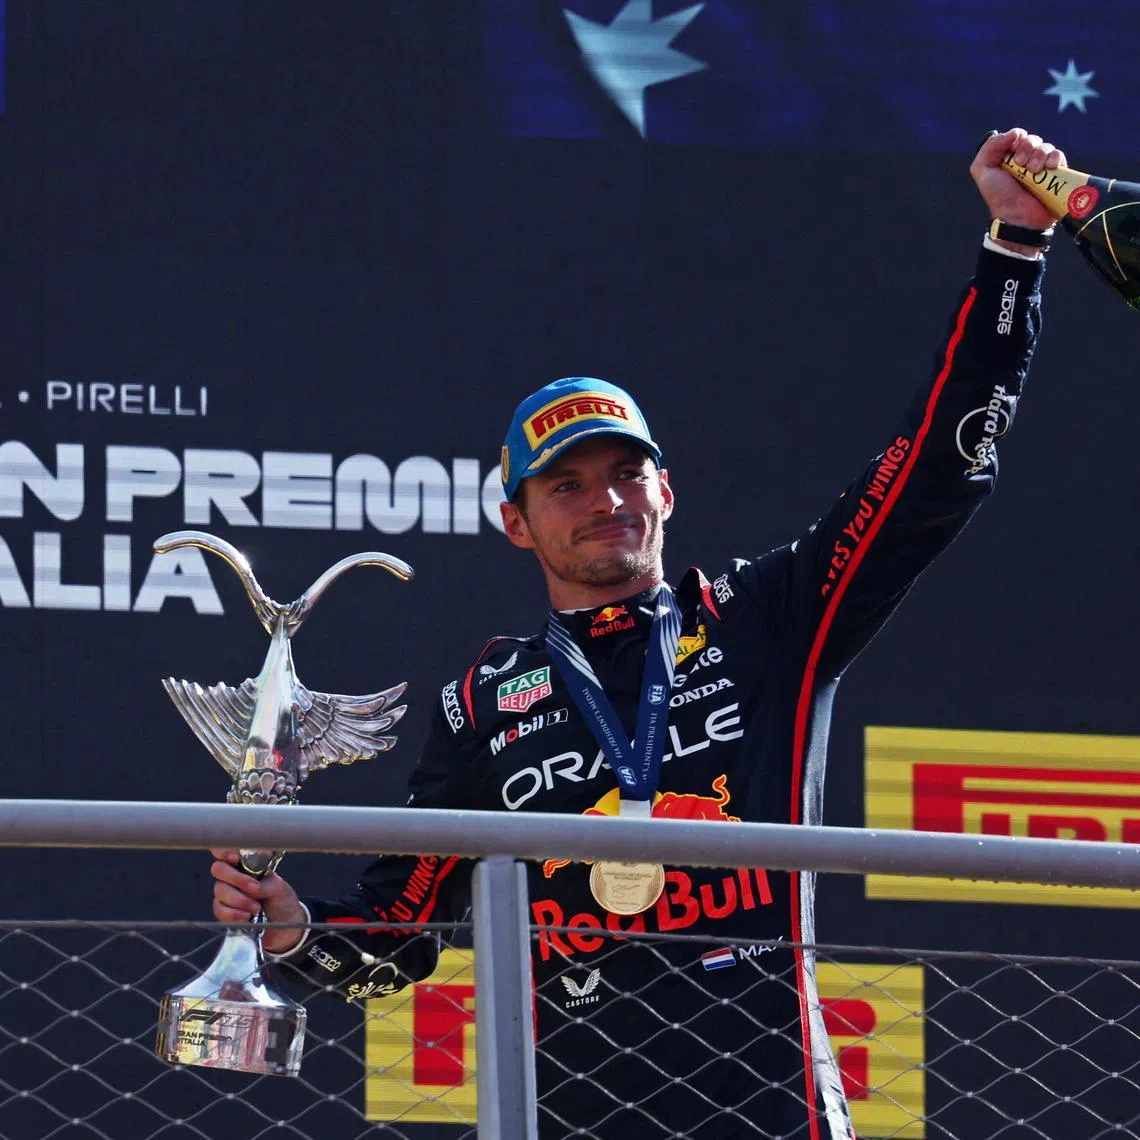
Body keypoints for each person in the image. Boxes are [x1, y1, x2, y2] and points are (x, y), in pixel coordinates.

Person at [211, 128, 1063, 1138]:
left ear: (667, 491)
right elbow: (399, 936)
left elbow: (936, 468)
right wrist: (293, 929)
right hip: (571, 1117)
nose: (604, 501)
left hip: (773, 1113)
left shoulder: (769, 616)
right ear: (517, 523)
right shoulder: (483, 701)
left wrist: (1013, 254)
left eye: (625, 474)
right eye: (567, 486)